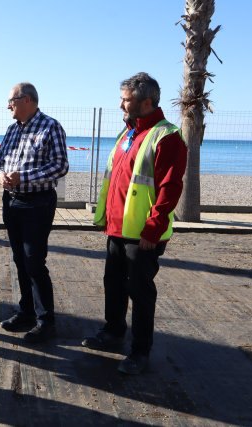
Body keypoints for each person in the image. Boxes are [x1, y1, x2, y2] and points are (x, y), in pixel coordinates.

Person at [82, 72, 188, 375]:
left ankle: (140, 352)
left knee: (140, 291)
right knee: (113, 284)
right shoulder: (127, 133)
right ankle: (113, 332)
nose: (120, 106)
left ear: (146, 102)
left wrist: (153, 230)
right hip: (117, 228)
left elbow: (169, 188)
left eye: (125, 100)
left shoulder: (166, 136)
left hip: (142, 234)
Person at [0, 82, 69, 343]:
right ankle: (26, 311)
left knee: (34, 261)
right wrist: (1, 176)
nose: (8, 106)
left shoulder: (50, 127)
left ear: (26, 100)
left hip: (37, 203)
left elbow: (60, 166)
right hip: (12, 201)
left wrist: (22, 178)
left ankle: (46, 321)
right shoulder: (12, 130)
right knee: (19, 259)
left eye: (11, 101)